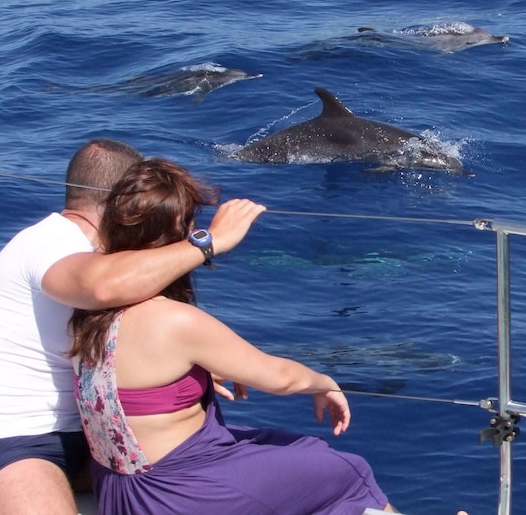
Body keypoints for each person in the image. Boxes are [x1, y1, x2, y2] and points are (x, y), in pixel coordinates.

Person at [0, 139, 266, 515]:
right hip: (8, 442)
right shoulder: (49, 243)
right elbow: (102, 285)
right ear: (121, 198)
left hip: (95, 434)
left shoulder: (109, 259)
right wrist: (209, 242)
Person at [68, 158, 395, 515]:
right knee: (348, 471)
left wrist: (196, 375)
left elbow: (135, 382)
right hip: (172, 493)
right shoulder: (174, 321)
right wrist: (325, 383)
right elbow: (280, 378)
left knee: (281, 443)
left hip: (118, 488)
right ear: (181, 233)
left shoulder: (85, 313)